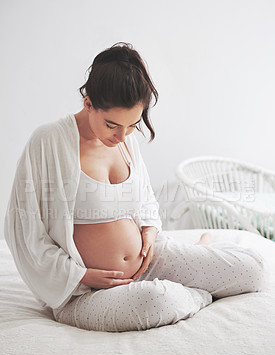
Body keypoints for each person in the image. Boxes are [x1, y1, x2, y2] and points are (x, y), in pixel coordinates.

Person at [4, 42, 268, 332]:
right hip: (84, 293)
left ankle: (188, 279)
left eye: (132, 125)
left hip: (150, 261)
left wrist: (150, 230)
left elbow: (143, 200)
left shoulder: (126, 139)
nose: (122, 136)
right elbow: (24, 230)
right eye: (112, 125)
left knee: (253, 270)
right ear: (88, 103)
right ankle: (200, 292)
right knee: (154, 301)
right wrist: (81, 276)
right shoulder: (49, 141)